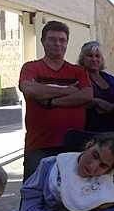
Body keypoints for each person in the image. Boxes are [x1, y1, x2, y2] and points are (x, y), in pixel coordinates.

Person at [19, 21, 93, 181]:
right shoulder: (31, 68)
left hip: (72, 146)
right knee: (33, 193)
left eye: (62, 40)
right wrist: (68, 91)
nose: (57, 43)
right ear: (43, 41)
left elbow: (86, 96)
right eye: (52, 39)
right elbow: (30, 90)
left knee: (69, 192)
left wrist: (51, 101)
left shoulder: (77, 71)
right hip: (39, 145)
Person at [78, 41, 114, 133]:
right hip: (90, 131)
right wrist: (97, 102)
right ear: (82, 59)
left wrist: (111, 107)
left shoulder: (110, 79)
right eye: (90, 56)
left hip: (113, 130)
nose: (94, 59)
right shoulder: (78, 78)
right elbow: (77, 100)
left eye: (97, 56)